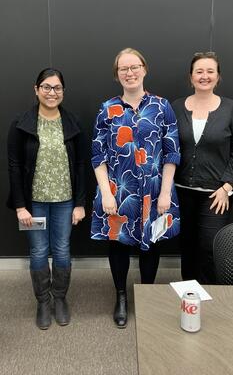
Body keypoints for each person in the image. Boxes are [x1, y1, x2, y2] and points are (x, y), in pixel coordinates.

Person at [91, 48, 180, 328]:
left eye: (134, 67)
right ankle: (121, 296)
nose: (129, 73)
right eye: (123, 69)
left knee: (151, 245)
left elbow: (172, 152)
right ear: (117, 75)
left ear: (144, 69)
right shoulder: (107, 109)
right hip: (118, 191)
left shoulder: (161, 106)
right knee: (118, 245)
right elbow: (97, 155)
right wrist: (106, 192)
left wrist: (165, 192)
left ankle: (147, 295)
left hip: (154, 191)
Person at [7, 68, 86, 330]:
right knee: (39, 251)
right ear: (36, 89)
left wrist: (80, 203)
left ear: (63, 91)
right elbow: (15, 166)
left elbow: (81, 166)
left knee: (62, 249)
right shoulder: (22, 124)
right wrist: (20, 206)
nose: (52, 93)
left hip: (65, 200)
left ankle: (60, 299)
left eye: (57, 88)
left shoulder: (72, 124)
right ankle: (43, 301)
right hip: (34, 203)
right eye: (47, 87)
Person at [172, 51, 233, 284]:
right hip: (181, 190)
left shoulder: (231, 109)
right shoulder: (175, 107)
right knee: (187, 244)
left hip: (216, 193)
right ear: (191, 77)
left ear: (218, 77)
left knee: (209, 245)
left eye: (210, 71)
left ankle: (210, 293)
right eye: (199, 71)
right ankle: (188, 292)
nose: (204, 76)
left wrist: (227, 186)